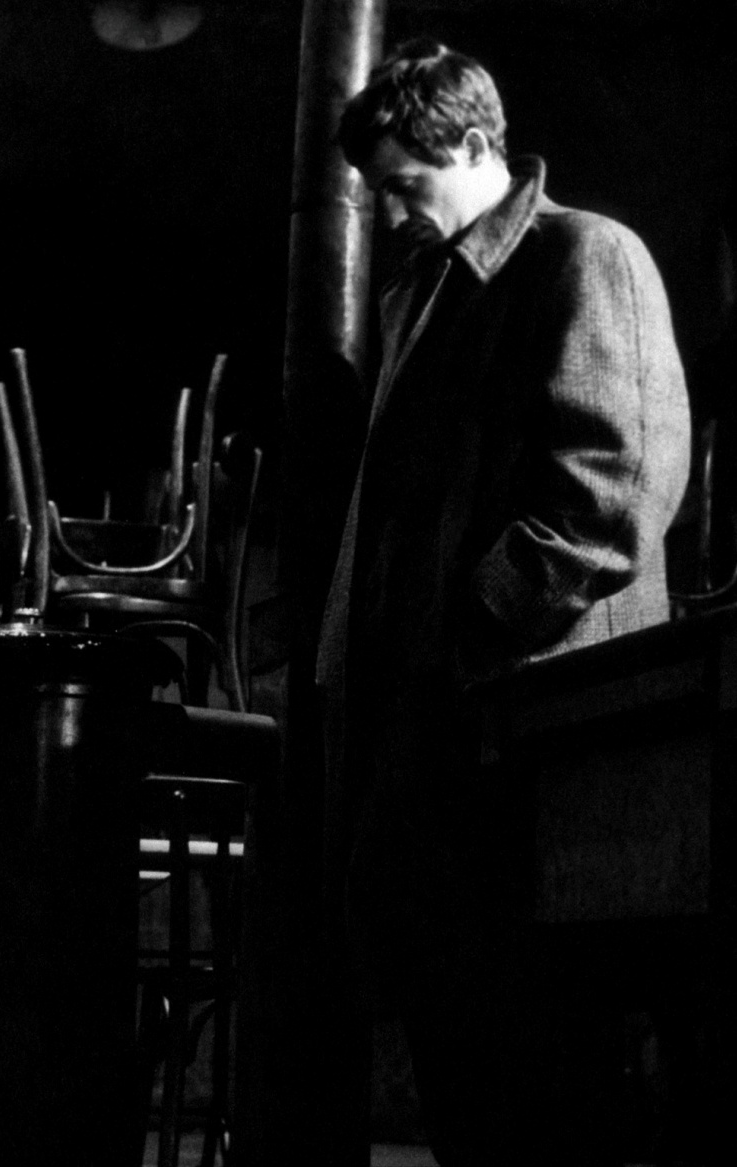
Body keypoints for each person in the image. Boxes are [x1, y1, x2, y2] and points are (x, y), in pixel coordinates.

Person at [316, 40, 691, 1166]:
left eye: (404, 185)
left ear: (477, 145)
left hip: (539, 735)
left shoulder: (586, 254)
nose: (390, 214)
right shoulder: (426, 293)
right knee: (463, 1061)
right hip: (454, 731)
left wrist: (461, 635)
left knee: (539, 1064)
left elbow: (609, 493)